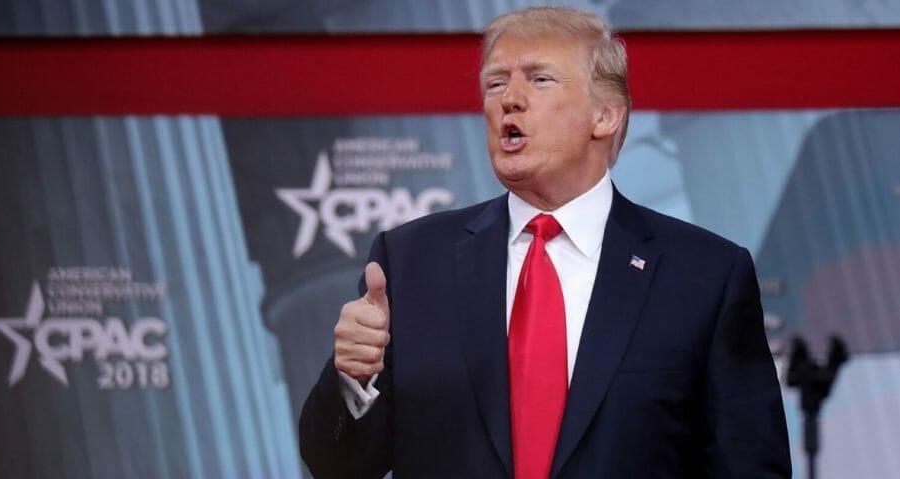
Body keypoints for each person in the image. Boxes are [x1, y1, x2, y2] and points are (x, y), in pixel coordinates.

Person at [299, 6, 790, 478]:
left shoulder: (704, 276)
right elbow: (337, 466)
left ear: (606, 116)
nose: (509, 99)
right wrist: (352, 377)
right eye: (495, 83)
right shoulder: (411, 263)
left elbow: (748, 464)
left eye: (539, 79)